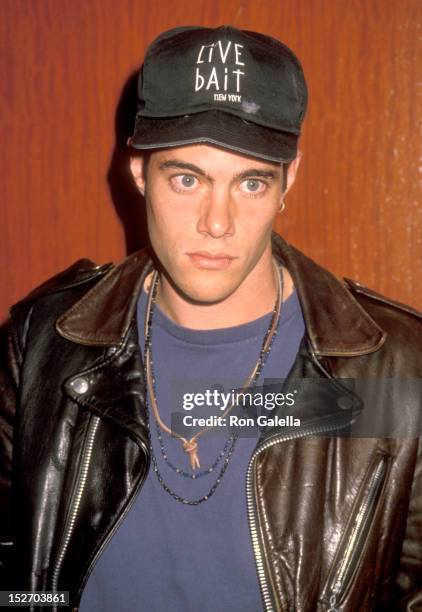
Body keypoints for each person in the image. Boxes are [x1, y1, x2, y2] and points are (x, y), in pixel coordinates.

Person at [1, 24, 421, 612]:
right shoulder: (45, 339)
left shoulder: (393, 369)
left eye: (250, 182)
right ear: (139, 171)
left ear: (288, 181)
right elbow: (13, 564)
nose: (216, 223)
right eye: (187, 178)